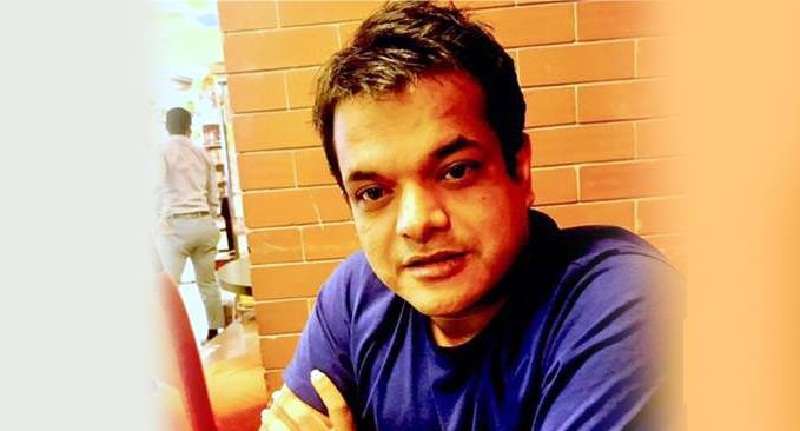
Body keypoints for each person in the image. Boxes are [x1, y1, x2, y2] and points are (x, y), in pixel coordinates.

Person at [260, 2, 681, 430]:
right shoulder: (356, 297)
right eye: (374, 193)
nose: (416, 222)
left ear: (520, 168)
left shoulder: (616, 299)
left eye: (456, 171)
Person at [155, 107, 224, 342]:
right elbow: (213, 192)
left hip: (175, 225)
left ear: (167, 126)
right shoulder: (202, 153)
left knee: (170, 286)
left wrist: (157, 218)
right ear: (189, 127)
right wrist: (210, 215)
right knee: (208, 282)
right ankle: (215, 332)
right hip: (203, 223)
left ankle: (173, 338)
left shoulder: (162, 151)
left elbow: (156, 187)